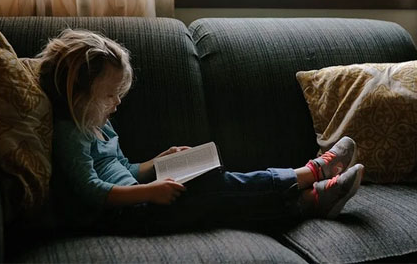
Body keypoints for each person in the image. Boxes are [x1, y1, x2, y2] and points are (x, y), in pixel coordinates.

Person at [36, 28, 365, 234]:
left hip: (137, 200)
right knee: (212, 188)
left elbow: (125, 170)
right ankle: (311, 173)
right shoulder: (71, 133)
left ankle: (310, 199)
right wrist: (150, 192)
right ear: (78, 94)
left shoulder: (99, 123)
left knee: (214, 187)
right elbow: (92, 191)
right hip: (124, 217)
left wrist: (157, 162)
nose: (117, 103)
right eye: (109, 95)